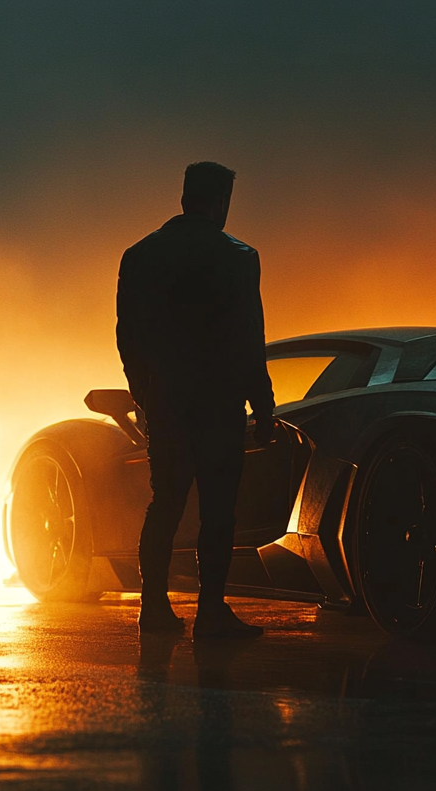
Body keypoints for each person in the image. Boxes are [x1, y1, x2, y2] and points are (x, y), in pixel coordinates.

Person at [116, 161, 276, 638]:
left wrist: (146, 395)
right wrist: (263, 405)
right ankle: (210, 611)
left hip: (167, 402)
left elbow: (129, 338)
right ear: (221, 201)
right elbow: (249, 339)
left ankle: (153, 608)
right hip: (219, 405)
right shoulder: (239, 257)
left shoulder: (139, 256)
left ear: (185, 196)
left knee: (164, 502)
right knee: (218, 510)